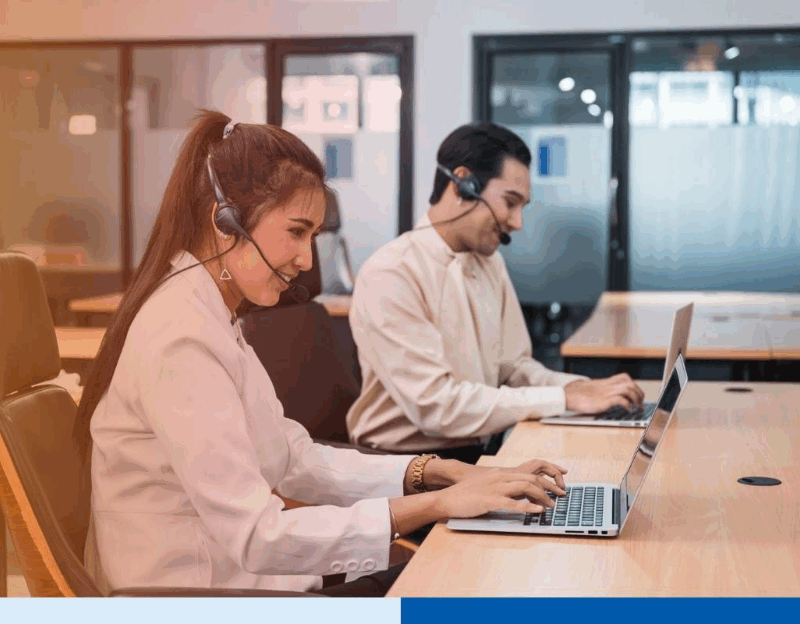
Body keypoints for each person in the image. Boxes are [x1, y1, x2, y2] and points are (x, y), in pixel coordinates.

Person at [75, 111, 569, 597]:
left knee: (476, 573)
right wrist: (438, 504)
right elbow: (258, 535)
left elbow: (294, 457)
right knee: (474, 586)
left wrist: (434, 473)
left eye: (312, 236)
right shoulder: (181, 335)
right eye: (296, 231)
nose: (306, 259)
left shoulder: (211, 314)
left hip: (255, 585)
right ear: (225, 223)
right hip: (205, 597)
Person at [346, 122, 644, 463]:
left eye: (522, 207)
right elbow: (437, 407)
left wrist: (574, 388)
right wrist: (563, 400)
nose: (517, 223)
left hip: (482, 449)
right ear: (463, 185)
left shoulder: (489, 263)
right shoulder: (392, 272)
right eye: (510, 202)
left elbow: (513, 370)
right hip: (409, 466)